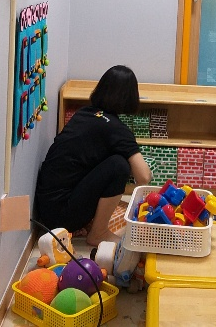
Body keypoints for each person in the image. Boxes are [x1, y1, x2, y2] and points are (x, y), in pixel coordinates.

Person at [34, 65, 152, 246]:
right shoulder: (117, 130)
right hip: (63, 217)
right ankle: (99, 233)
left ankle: (87, 224)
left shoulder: (83, 113)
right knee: (119, 165)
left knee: (111, 161)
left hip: (46, 210)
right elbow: (143, 177)